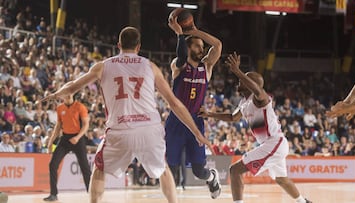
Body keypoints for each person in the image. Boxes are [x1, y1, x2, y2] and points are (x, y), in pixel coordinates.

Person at [42, 26, 212, 203]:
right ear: (138, 46)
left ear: (118, 45)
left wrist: (55, 94)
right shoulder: (150, 66)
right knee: (163, 170)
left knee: (99, 169)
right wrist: (197, 133)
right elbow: (175, 103)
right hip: (149, 129)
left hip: (119, 129)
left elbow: (72, 87)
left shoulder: (102, 66)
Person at [198, 52, 312, 203]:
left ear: (251, 84)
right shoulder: (244, 103)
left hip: (274, 142)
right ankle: (303, 202)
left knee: (235, 170)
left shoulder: (260, 99)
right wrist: (210, 114)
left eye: (243, 79)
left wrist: (238, 70)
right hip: (272, 144)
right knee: (282, 179)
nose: (239, 80)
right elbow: (233, 117)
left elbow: (258, 90)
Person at [166, 15, 222, 199]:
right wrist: (181, 35)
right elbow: (181, 56)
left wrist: (195, 31)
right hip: (176, 121)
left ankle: (211, 177)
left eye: (201, 46)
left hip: (196, 122)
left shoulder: (206, 67)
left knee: (199, 171)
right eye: (197, 45)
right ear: (188, 48)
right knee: (171, 168)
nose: (202, 48)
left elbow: (218, 46)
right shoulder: (178, 65)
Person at [43, 94, 91, 201]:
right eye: (65, 94)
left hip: (78, 138)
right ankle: (53, 194)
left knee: (85, 167)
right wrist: (50, 142)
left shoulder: (80, 106)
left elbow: (86, 125)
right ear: (62, 97)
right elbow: (58, 126)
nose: (68, 96)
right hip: (65, 138)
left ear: (73, 94)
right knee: (53, 164)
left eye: (69, 94)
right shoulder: (60, 108)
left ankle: (91, 192)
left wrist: (78, 137)